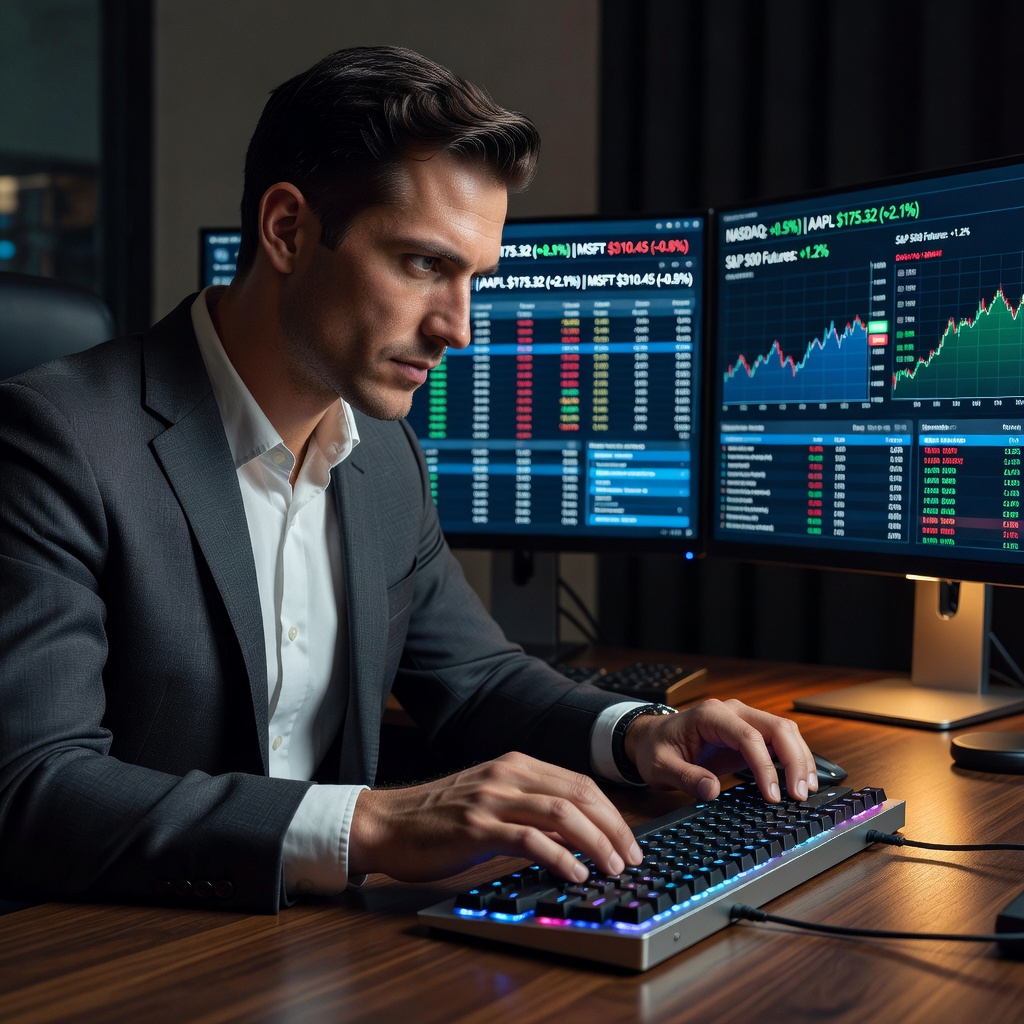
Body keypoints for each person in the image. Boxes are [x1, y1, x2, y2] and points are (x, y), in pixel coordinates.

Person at [0, 46, 816, 913]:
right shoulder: (57, 441)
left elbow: (477, 680)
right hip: (107, 952)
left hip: (313, 954)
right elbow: (33, 785)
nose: (458, 329)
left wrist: (642, 734)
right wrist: (374, 826)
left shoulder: (382, 451)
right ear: (286, 230)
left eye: (474, 279)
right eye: (424, 264)